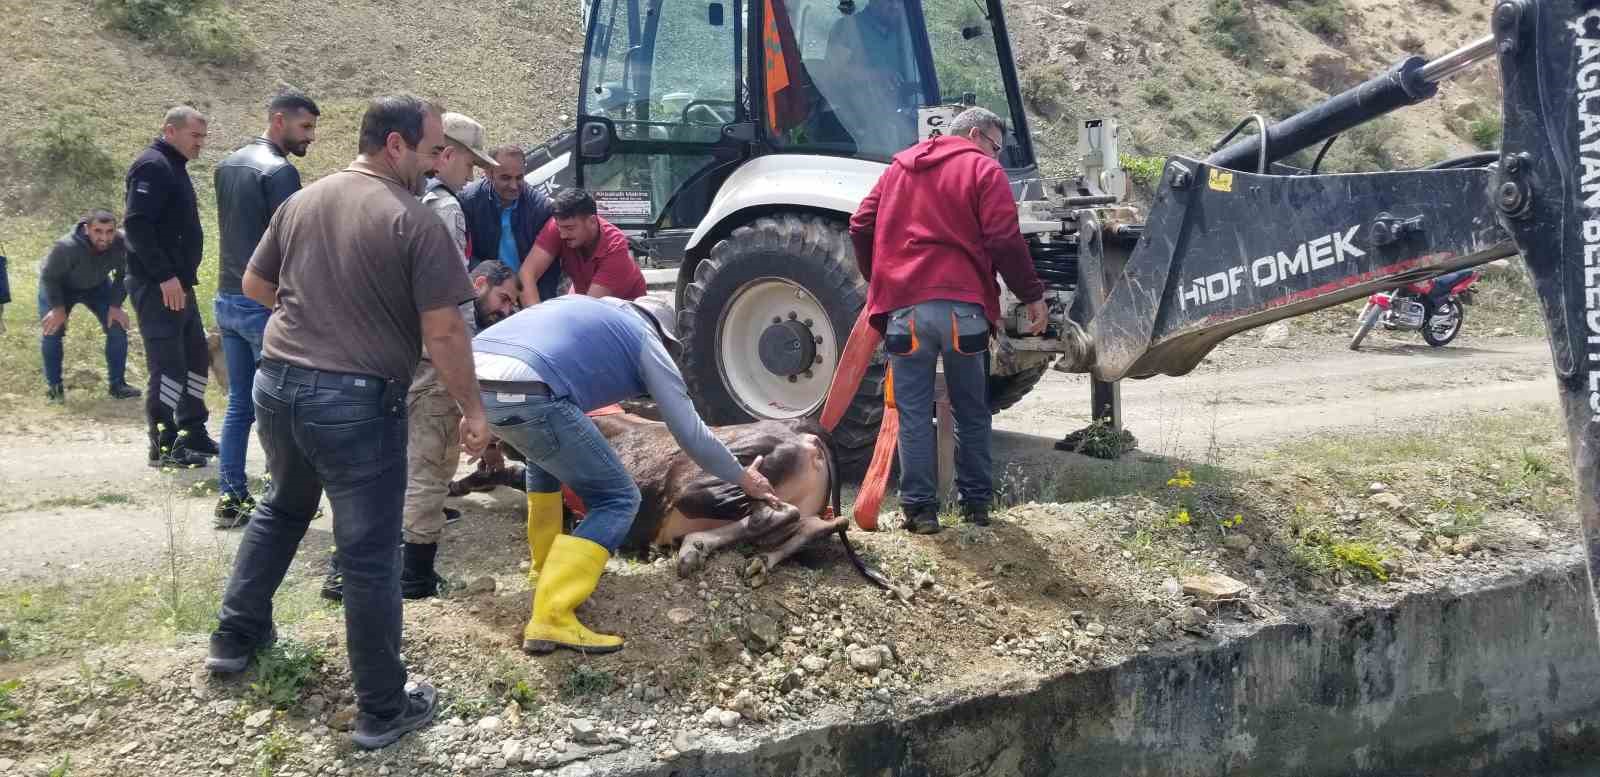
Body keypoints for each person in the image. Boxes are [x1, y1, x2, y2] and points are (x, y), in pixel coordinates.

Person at [205, 95, 489, 752]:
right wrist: (474, 408)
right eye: (431, 148)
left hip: (278, 385)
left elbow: (253, 282)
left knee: (281, 508)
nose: (437, 160)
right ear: (396, 146)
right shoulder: (414, 221)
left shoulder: (304, 200)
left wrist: (310, 318)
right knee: (367, 554)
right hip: (356, 401)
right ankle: (383, 709)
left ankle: (233, 639)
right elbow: (445, 331)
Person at [472, 294, 778, 654]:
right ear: (664, 335)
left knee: (544, 463)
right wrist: (744, 478)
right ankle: (551, 617)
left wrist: (471, 408)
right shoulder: (644, 338)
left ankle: (544, 571)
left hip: (475, 378)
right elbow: (691, 435)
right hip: (530, 391)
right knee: (617, 498)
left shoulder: (589, 312)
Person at [846, 106, 1047, 534]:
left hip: (905, 312)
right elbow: (1003, 239)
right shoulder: (982, 172)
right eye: (995, 146)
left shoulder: (899, 167)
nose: (996, 157)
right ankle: (976, 508)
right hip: (963, 312)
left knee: (914, 412)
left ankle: (920, 513)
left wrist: (881, 281)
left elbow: (861, 225)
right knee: (971, 409)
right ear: (974, 134)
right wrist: (1032, 295)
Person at [212, 90, 321, 529]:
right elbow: (291, 247)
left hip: (226, 296)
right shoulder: (279, 173)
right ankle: (287, 498)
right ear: (279, 121)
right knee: (287, 404)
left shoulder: (227, 164)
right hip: (263, 301)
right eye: (305, 127)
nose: (310, 137)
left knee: (241, 403)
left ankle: (231, 496)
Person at [397, 259, 520, 599]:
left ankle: (352, 571)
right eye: (504, 298)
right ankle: (415, 578)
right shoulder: (458, 312)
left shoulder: (443, 297)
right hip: (431, 391)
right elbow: (458, 362)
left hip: (409, 386)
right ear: (480, 283)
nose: (506, 309)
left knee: (404, 478)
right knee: (430, 478)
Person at [123, 106, 216, 469]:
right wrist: (164, 276)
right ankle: (163, 443)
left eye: (203, 137)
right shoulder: (152, 165)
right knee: (169, 366)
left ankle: (193, 430)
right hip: (157, 284)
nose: (201, 144)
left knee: (195, 358)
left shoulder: (173, 166)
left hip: (180, 285)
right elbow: (138, 226)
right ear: (170, 131)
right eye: (195, 136)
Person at [36, 209, 139, 402]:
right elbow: (50, 277)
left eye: (109, 231)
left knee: (116, 325)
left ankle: (118, 386)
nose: (104, 237)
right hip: (59, 287)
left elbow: (124, 274)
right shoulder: (66, 247)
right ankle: (54, 389)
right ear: (86, 229)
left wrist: (115, 305)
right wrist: (57, 309)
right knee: (52, 329)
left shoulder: (122, 243)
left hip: (97, 285)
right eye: (98, 231)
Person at [459, 145, 560, 299]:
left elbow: (548, 268)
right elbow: (463, 254)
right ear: (488, 173)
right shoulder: (468, 202)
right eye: (505, 178)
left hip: (528, 290)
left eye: (519, 178)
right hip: (486, 288)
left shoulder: (540, 208)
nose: (514, 186)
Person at [517, 187, 647, 306]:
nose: (562, 235)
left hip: (626, 312)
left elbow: (589, 309)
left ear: (591, 221)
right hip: (586, 299)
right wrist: (535, 319)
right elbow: (526, 274)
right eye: (559, 227)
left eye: (569, 228)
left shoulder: (615, 247)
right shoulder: (560, 226)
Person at [422, 113, 500, 263]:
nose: (471, 177)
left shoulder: (406, 184)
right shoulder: (447, 207)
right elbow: (454, 278)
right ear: (448, 155)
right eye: (469, 165)